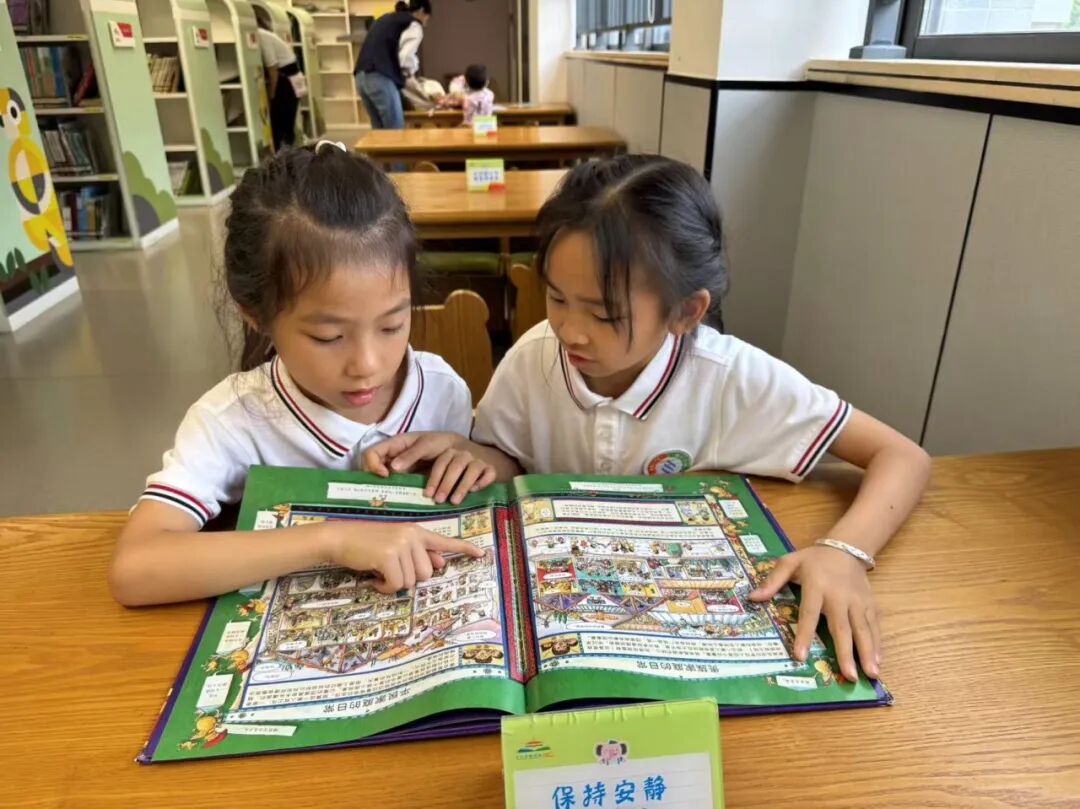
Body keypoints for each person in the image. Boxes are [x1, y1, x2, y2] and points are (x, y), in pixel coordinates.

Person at [363, 155, 932, 686]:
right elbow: (510, 455)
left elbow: (902, 456)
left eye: (604, 314)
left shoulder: (732, 377)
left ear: (686, 311)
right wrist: (474, 454)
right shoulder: (534, 357)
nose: (570, 331)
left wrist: (845, 552)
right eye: (556, 298)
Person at [108, 142, 489, 608]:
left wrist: (474, 455)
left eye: (392, 326)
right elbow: (136, 568)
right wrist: (330, 539)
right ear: (257, 317)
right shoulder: (233, 421)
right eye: (329, 337)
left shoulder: (441, 390)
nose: (367, 364)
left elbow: (486, 487)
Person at [355, 0, 431, 130]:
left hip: (360, 77)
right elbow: (405, 59)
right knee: (395, 132)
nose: (425, 24)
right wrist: (411, 75)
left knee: (379, 132)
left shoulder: (385, 19)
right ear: (422, 11)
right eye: (427, 19)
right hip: (380, 77)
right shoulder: (413, 24)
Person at [256, 18, 302, 150]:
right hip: (292, 76)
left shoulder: (261, 37)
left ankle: (283, 154)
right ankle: (288, 152)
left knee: (280, 122)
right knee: (287, 121)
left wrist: (272, 94)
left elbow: (273, 69)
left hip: (285, 80)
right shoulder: (266, 34)